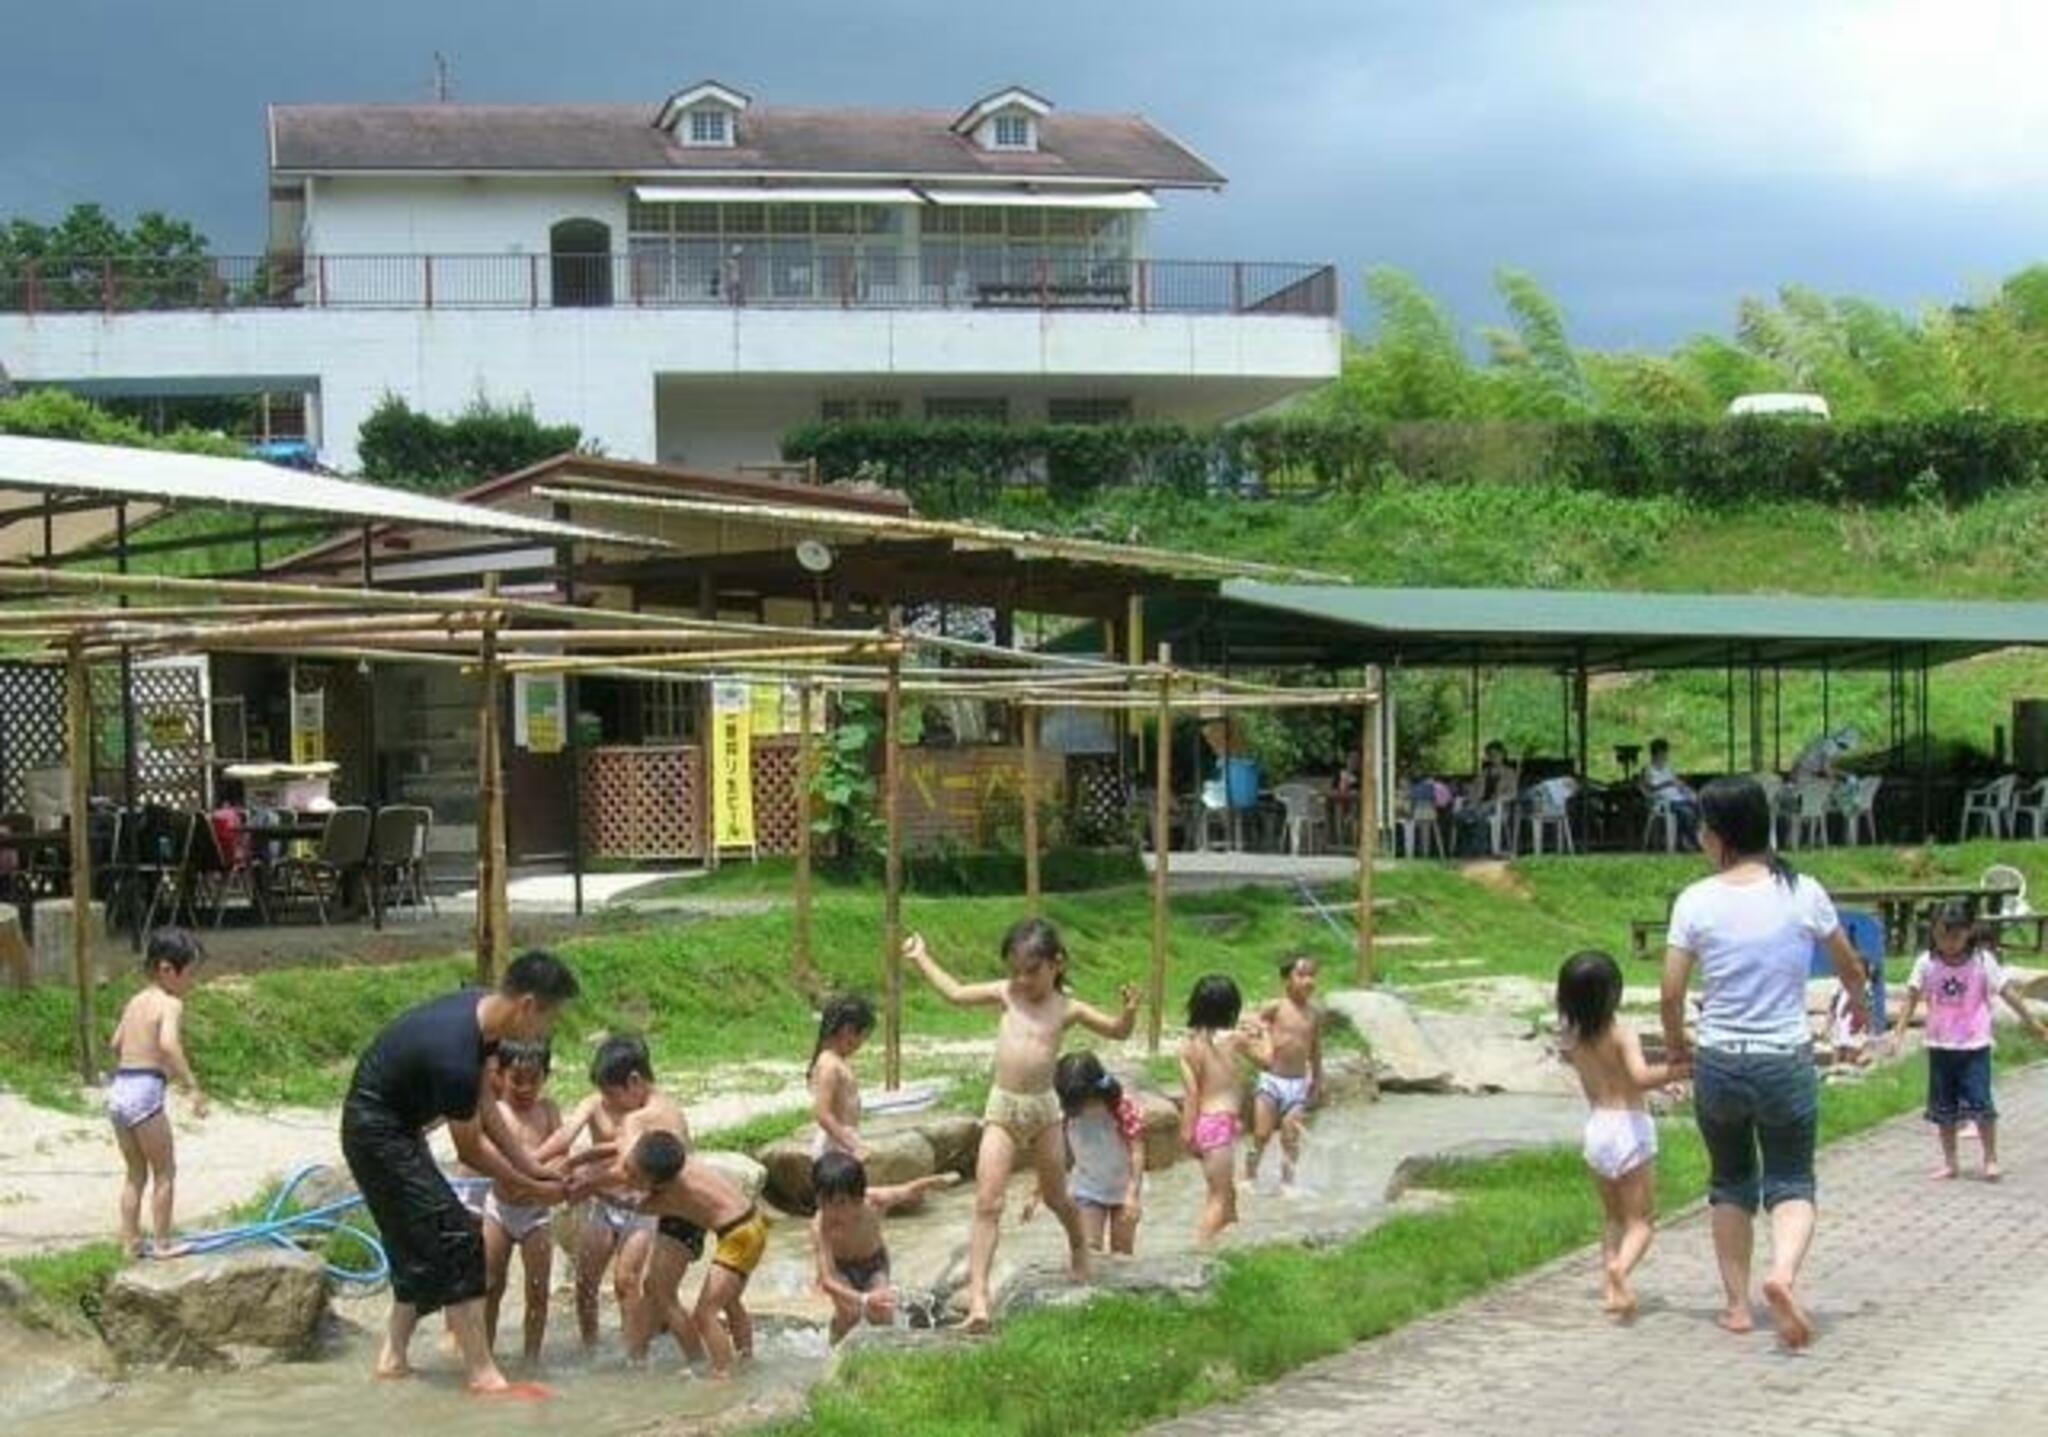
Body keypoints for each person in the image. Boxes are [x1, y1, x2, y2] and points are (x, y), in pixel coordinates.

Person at [1661, 777, 1870, 1351]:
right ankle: (1781, 1275)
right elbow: (1850, 968)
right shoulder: (1803, 892)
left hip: (1722, 1060)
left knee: (1730, 1182)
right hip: (1785, 1058)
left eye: (1703, 825)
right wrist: (1859, 1005)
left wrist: (1678, 1047)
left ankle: (1736, 1307)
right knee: (1792, 1179)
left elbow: (1672, 991)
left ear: (1721, 833)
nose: (1699, 835)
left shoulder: (1695, 901)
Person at [339, 950, 581, 1396]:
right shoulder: (453, 1050)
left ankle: (392, 1358)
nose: (548, 1031)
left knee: (414, 1244)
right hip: (376, 1134)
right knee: (456, 1237)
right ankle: (482, 1375)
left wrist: (530, 1167)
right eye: (550, 1019)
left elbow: (483, 1102)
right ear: (528, 1005)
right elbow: (470, 1147)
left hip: (395, 1128)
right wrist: (529, 1186)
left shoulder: (483, 1017)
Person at [903, 919, 1140, 1332]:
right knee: (988, 1202)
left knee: (1056, 1198)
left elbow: (1118, 1032)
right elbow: (956, 993)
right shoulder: (1005, 994)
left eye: (1032, 970)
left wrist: (1130, 1012)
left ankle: (1079, 1246)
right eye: (1015, 969)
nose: (1022, 979)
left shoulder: (1068, 1008)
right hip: (1004, 1107)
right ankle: (979, 1300)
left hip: (1045, 1111)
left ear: (1056, 963)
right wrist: (922, 957)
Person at [540, 1034, 702, 1366]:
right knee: (586, 1278)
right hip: (608, 1206)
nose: (607, 1101)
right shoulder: (601, 1105)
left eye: (612, 1094)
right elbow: (570, 1137)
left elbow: (627, 1166)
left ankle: (636, 1357)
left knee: (627, 1281)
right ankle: (592, 1348)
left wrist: (583, 1180)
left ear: (634, 1081)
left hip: (645, 1208)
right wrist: (541, 1160)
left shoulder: (651, 1115)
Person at [1557, 950, 1684, 1320]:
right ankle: (1621, 1271)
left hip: (1597, 1128)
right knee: (1641, 1221)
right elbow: (1640, 1078)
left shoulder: (1573, 1038)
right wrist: (1679, 1071)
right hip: (1629, 1126)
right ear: (1614, 992)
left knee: (1612, 1217)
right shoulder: (1621, 1032)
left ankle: (1611, 1288)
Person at [1897, 900, 2048, 1180]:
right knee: (1943, 1108)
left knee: (1981, 1104)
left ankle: (1990, 1158)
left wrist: (2033, 1022)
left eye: (1954, 937)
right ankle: (1950, 1161)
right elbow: (1911, 998)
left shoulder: (1982, 961)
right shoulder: (1926, 962)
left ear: (1968, 932)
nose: (1948, 943)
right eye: (1942, 936)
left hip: (1974, 1045)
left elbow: (2007, 993)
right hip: (1940, 1045)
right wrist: (1899, 1033)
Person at [602, 1130, 767, 1378]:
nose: (627, 1176)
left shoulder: (671, 1196)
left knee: (705, 1314)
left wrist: (587, 1189)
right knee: (730, 1301)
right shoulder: (682, 1163)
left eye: (634, 1175)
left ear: (658, 1184)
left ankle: (723, 1377)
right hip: (752, 1223)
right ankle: (747, 1359)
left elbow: (626, 1204)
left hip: (739, 1237)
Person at [107, 928, 208, 1258]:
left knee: (135, 1173)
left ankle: (129, 1241)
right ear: (167, 969)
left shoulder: (135, 1000)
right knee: (165, 1171)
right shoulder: (170, 1004)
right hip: (144, 1091)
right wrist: (192, 1085)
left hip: (120, 1088)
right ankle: (163, 1243)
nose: (191, 982)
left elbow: (116, 1043)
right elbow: (168, 1044)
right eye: (190, 973)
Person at [809, 1150, 960, 1343]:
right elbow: (828, 1281)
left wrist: (935, 1182)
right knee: (850, 1315)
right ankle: (836, 1345)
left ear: (858, 1199)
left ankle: (886, 1349)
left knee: (882, 1312)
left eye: (840, 1203)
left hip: (874, 1265)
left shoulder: (874, 1202)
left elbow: (907, 1190)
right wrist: (863, 1299)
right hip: (841, 1270)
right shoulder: (820, 1226)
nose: (831, 1212)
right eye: (823, 1202)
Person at [481, 1038, 561, 1365]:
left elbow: (563, 1153)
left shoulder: (549, 1110)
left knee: (538, 1291)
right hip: (498, 1210)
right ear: (500, 1075)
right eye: (517, 1079)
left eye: (534, 1079)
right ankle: (484, 1355)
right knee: (490, 1286)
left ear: (546, 1076)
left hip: (536, 1215)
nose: (525, 1087)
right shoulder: (497, 1110)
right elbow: (486, 1156)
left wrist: (546, 1170)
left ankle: (532, 1359)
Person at [1031, 1050, 1146, 1255]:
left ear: (1094, 1090)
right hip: (1088, 1187)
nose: (1076, 1109)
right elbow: (1059, 1155)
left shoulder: (1120, 1108)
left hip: (1124, 1188)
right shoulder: (1066, 1114)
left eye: (1079, 1102)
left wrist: (1132, 1193)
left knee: (1122, 1253)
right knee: (1089, 1249)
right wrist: (1039, 1190)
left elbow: (1136, 1149)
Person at [1180, 974, 1261, 1242]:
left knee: (1228, 1194)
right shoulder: (1235, 1040)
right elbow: (1270, 1061)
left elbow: (1191, 1094)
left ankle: (1233, 1242)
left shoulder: (1188, 1046)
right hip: (1221, 1125)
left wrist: (1187, 1134)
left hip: (1204, 1126)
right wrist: (1265, 1033)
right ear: (1231, 1009)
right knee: (1219, 1197)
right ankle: (1199, 1250)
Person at [1246, 955, 1322, 1191]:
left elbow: (1316, 1048)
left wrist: (1318, 1079)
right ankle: (1249, 1176)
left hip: (1298, 1084)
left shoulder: (1314, 1014)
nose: (1308, 980)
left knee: (1291, 1138)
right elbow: (1251, 1020)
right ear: (1286, 980)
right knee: (1261, 1134)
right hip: (1271, 1081)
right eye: (1301, 975)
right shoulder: (1277, 1007)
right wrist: (1261, 1033)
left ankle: (1288, 1183)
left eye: (1312, 975)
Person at [809, 994, 875, 1160]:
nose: (861, 1044)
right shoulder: (829, 1065)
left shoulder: (838, 1062)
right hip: (835, 1146)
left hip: (842, 1141)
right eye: (862, 1037)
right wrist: (852, 1145)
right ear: (847, 1030)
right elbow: (822, 1114)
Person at [1454, 740, 1518, 856]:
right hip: (1479, 805)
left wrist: (1497, 800)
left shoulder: (1509, 773)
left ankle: (1480, 850)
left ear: (1503, 755)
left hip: (1497, 807)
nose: (1493, 757)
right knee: (1459, 816)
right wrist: (1468, 793)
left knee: (1480, 814)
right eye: (1490, 755)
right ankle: (1464, 848)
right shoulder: (1483, 773)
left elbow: (1513, 793)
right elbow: (1473, 791)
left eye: (1496, 754)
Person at [1638, 737, 1699, 850]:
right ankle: (1692, 841)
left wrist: (1689, 791)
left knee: (1699, 808)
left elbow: (1679, 783)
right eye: (1665, 752)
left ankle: (1690, 839)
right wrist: (1667, 783)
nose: (1666, 755)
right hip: (1663, 801)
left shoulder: (1668, 768)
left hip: (1678, 797)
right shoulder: (1648, 769)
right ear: (1658, 753)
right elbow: (1649, 788)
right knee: (1687, 812)